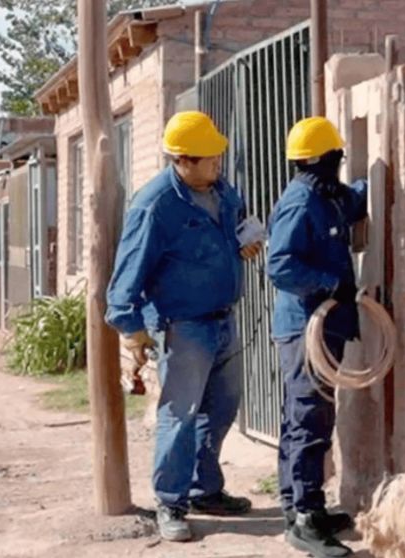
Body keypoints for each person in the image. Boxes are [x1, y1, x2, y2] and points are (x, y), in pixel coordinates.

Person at [105, 111, 263, 542]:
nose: (218, 166)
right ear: (183, 160)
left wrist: (244, 241)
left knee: (223, 409)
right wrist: (131, 329)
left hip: (224, 318)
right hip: (183, 328)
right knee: (181, 417)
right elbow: (126, 274)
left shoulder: (222, 190)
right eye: (210, 160)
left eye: (218, 158)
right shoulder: (155, 205)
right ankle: (170, 501)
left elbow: (236, 223)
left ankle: (205, 489)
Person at [266, 116, 367, 558]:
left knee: (305, 418)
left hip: (326, 326)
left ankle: (299, 505)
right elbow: (281, 266)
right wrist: (330, 285)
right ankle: (305, 517)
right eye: (337, 157)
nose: (341, 164)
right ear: (325, 159)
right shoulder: (301, 203)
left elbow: (354, 201)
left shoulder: (325, 195)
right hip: (306, 327)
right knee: (309, 420)